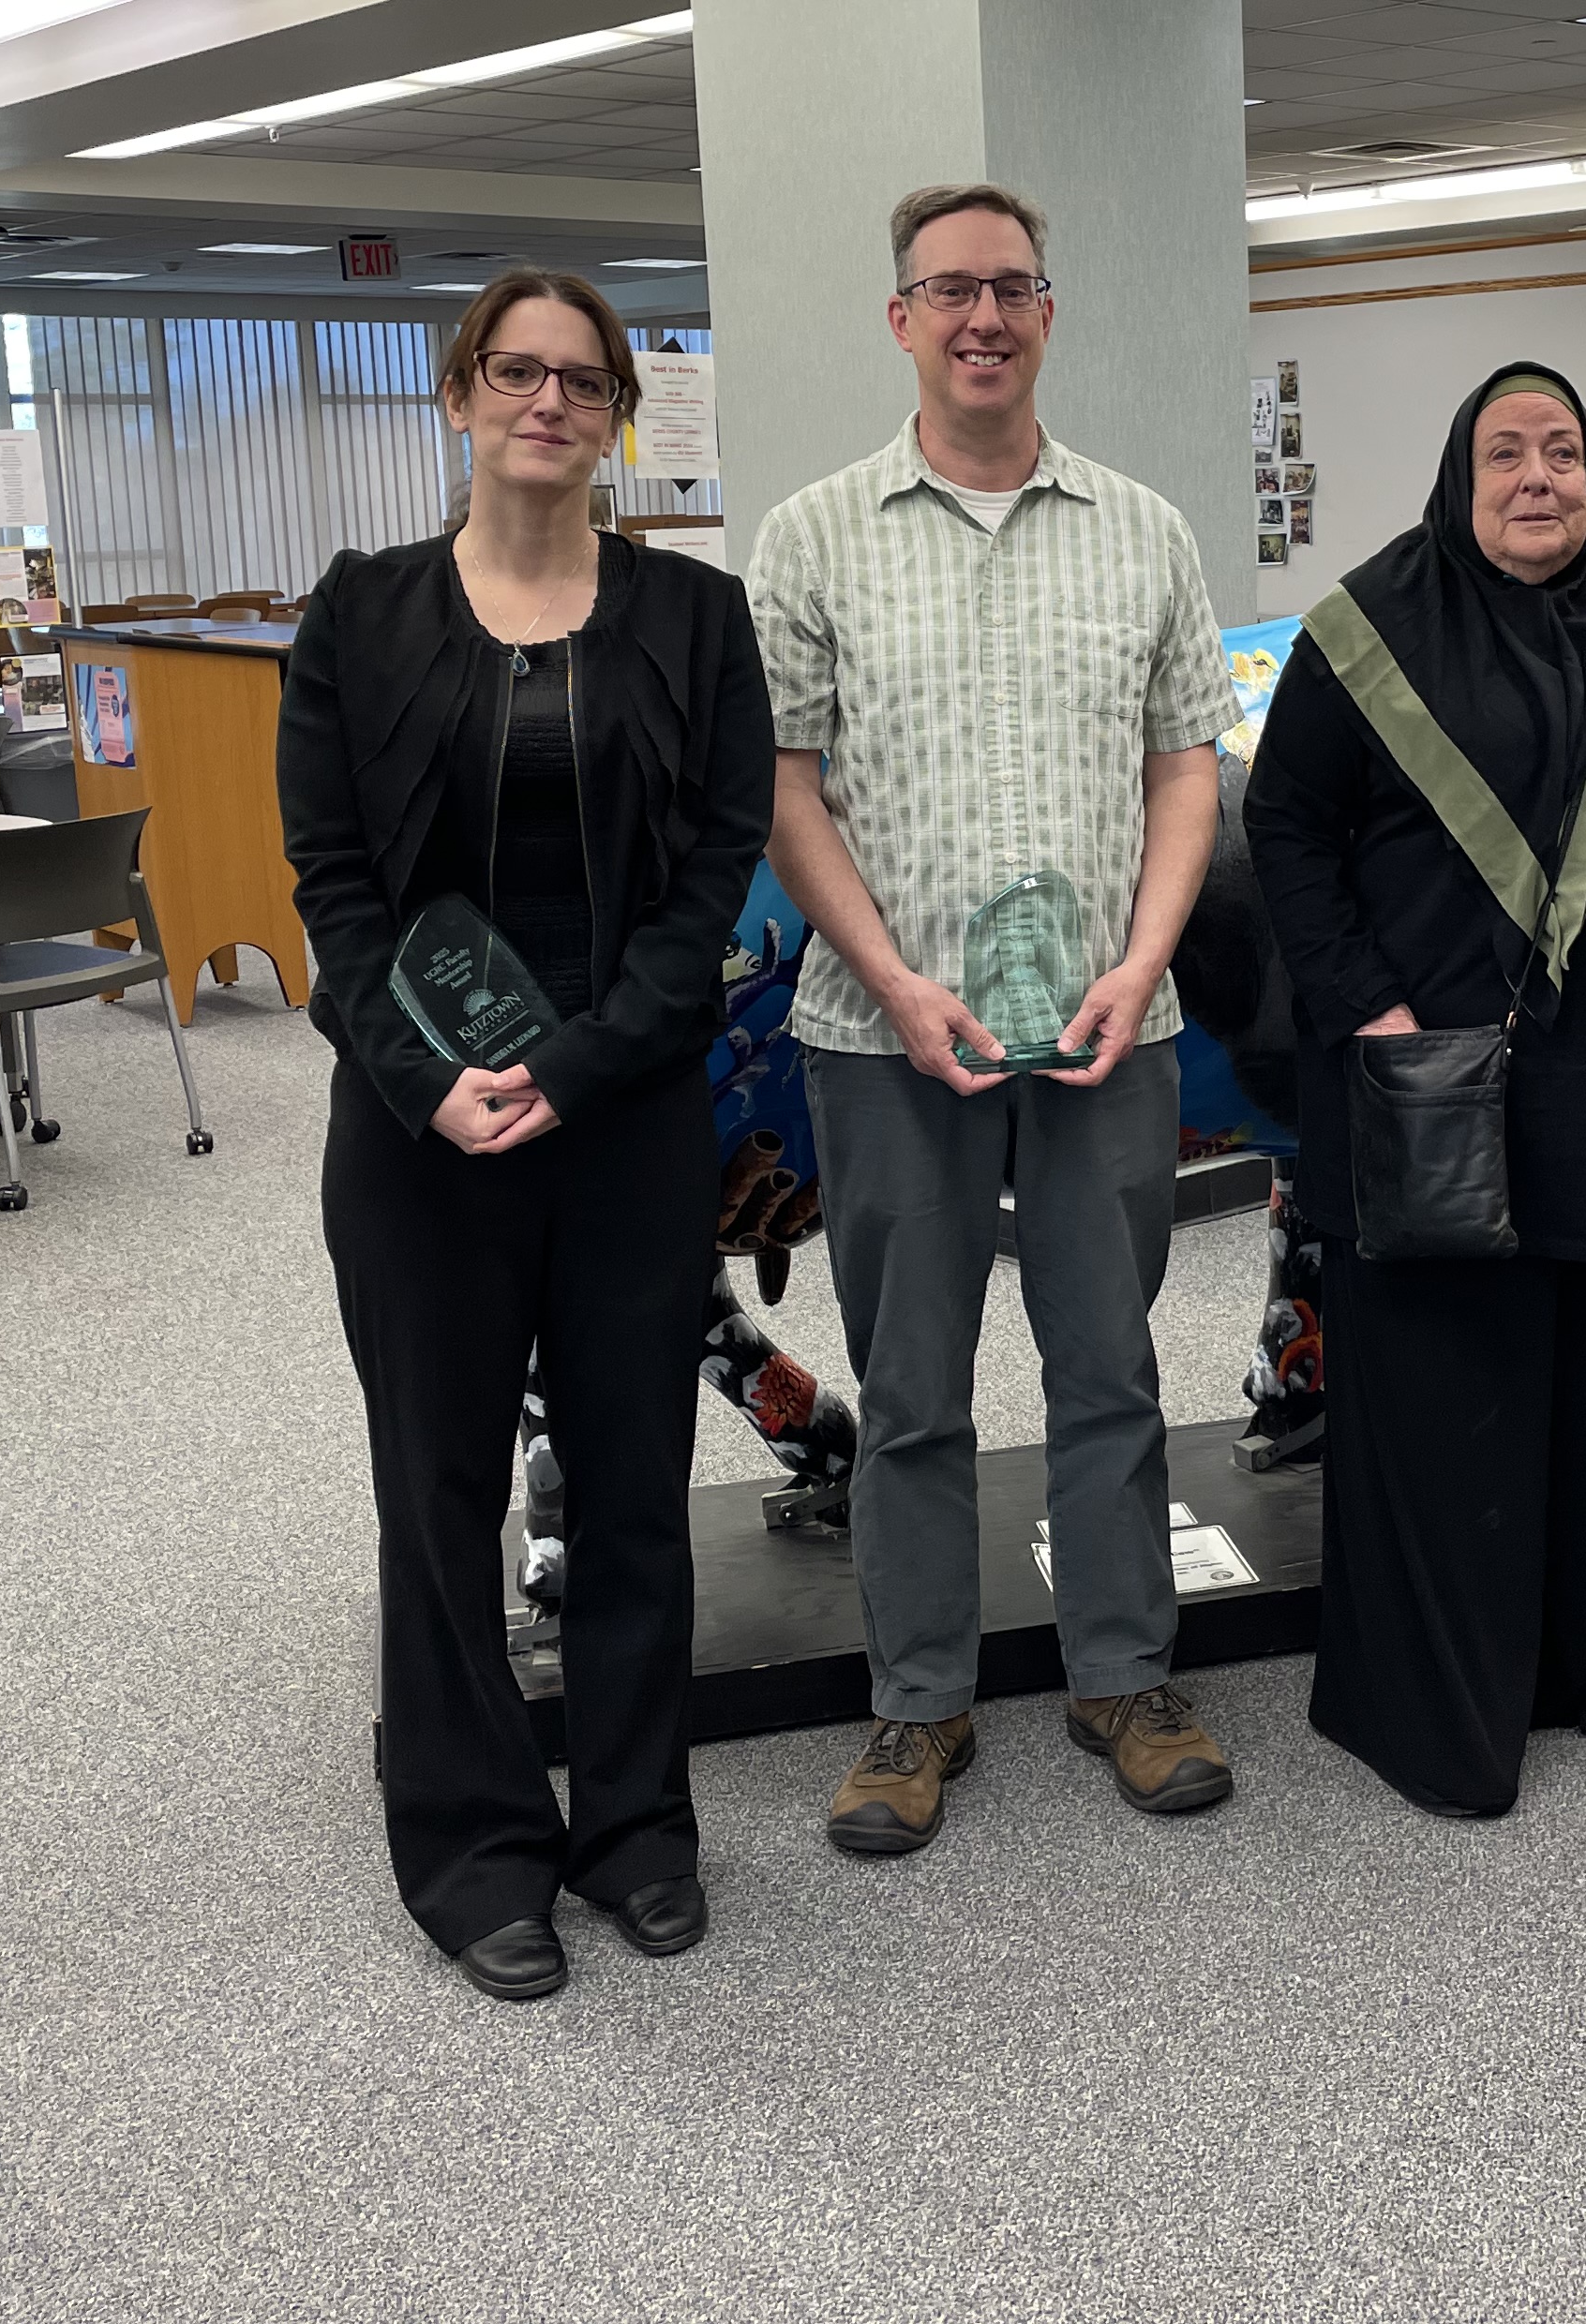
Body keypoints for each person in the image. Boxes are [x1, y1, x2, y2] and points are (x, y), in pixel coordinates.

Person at [278, 267, 772, 2000]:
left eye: (582, 378)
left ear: (618, 411)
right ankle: (475, 1842)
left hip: (625, 1111)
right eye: (516, 371)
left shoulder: (698, 622)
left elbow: (712, 878)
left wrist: (581, 1063)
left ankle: (637, 1821)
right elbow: (333, 893)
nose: (548, 402)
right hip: (422, 1131)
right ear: (459, 393)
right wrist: (429, 1080)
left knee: (637, 1483)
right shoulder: (359, 617)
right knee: (441, 1491)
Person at [749, 180, 1242, 1855]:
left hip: (1113, 1024)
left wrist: (1142, 953)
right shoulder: (813, 537)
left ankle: (1126, 1674)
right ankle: (916, 1702)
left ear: (1049, 313)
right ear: (900, 320)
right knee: (912, 1383)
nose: (981, 316)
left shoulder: (1144, 529)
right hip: (882, 1034)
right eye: (947, 289)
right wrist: (892, 975)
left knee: (1111, 1365)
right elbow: (783, 785)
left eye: (1010, 287)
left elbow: (1189, 762)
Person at [1245, 362, 1586, 1818]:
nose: (1537, 476)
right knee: (1451, 1371)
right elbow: (1286, 826)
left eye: (1563, 451)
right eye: (1504, 453)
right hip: (1435, 1068)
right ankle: (1453, 1675)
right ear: (1456, 475)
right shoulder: (1366, 630)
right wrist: (1368, 1007)